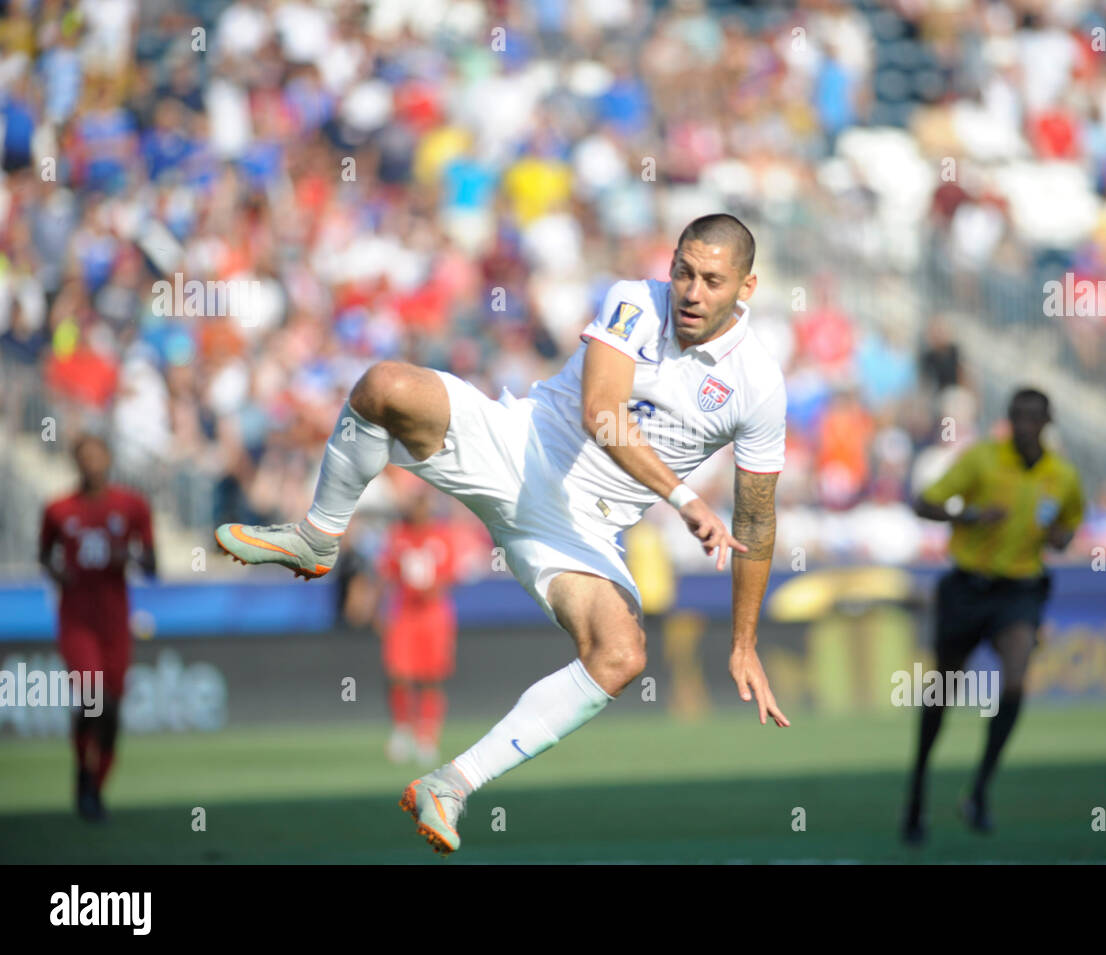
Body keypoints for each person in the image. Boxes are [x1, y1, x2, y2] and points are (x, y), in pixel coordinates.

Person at [215, 213, 790, 855]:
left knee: (622, 653)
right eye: (684, 271)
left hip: (582, 530)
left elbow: (757, 519)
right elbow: (602, 411)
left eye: (712, 280)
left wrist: (744, 643)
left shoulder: (759, 385)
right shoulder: (636, 301)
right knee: (385, 386)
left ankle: (453, 784)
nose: (691, 291)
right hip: (519, 447)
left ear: (747, 286)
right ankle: (319, 535)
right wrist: (682, 496)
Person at [903, 388, 1084, 844]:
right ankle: (917, 792)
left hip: (1019, 589)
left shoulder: (1061, 476)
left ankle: (980, 788)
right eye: (1017, 417)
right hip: (967, 585)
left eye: (1032, 417)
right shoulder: (981, 460)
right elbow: (924, 503)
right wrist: (970, 514)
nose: (1023, 425)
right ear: (1007, 419)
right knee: (943, 689)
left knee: (1018, 676)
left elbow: (1070, 521)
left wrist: (1060, 537)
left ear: (1047, 422)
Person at [38, 433, 156, 821]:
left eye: (97, 455)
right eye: (83, 456)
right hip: (77, 619)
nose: (91, 463)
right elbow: (44, 556)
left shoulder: (132, 506)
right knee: (94, 698)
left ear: (108, 458)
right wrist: (58, 572)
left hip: (115, 619)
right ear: (75, 462)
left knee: (113, 709)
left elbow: (153, 566)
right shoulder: (59, 509)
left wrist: (131, 558)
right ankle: (83, 773)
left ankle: (95, 786)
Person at [378, 492, 460, 765]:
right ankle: (403, 729)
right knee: (398, 673)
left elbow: (450, 574)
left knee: (431, 676)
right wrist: (381, 609)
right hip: (404, 613)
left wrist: (432, 588)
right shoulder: (397, 536)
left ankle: (427, 736)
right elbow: (386, 574)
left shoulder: (441, 536)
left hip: (434, 615)